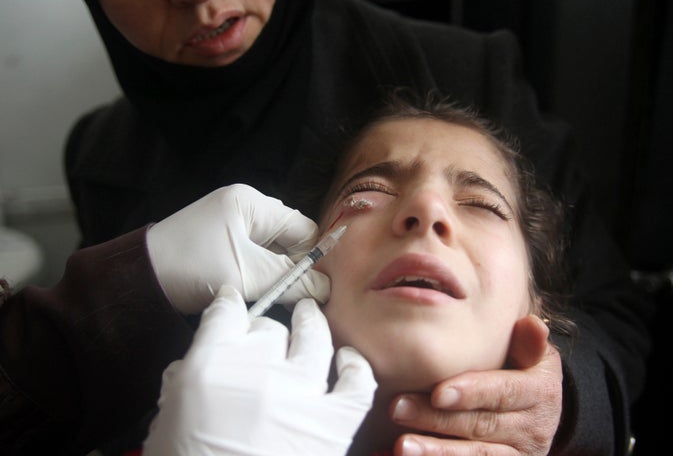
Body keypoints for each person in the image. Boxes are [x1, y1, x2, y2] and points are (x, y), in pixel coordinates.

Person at [0, 0, 653, 454]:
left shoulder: (464, 68)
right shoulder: (97, 154)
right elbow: (68, 394)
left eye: (479, 202)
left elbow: (608, 308)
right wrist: (125, 290)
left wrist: (565, 402)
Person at [142, 92, 577, 456]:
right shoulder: (193, 437)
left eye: (482, 204)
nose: (427, 209)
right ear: (299, 264)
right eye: (369, 192)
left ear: (538, 306)